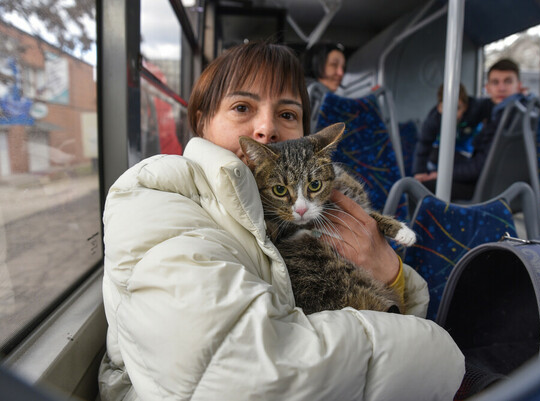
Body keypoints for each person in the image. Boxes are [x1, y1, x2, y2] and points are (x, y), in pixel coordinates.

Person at [98, 41, 464, 401]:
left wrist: (389, 274)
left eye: (287, 115)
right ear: (201, 121)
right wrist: (442, 357)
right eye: (242, 107)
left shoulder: (280, 205)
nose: (266, 129)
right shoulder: (153, 197)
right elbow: (243, 378)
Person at [416, 58, 527, 201]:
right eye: (495, 82)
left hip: (487, 187)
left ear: (519, 86)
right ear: (487, 88)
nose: (501, 88)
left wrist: (440, 175)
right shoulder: (507, 111)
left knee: (421, 187)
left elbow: (479, 166)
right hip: (497, 181)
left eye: (508, 81)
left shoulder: (507, 117)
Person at [413, 83, 492, 200]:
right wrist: (419, 171)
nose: (452, 114)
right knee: (433, 159)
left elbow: (494, 104)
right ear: (439, 107)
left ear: (465, 106)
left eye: (457, 108)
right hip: (443, 150)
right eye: (446, 107)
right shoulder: (434, 119)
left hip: (464, 151)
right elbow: (424, 144)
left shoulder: (476, 108)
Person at [304, 42, 346, 132]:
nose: (341, 73)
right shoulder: (314, 95)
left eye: (343, 67)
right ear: (317, 63)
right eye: (334, 65)